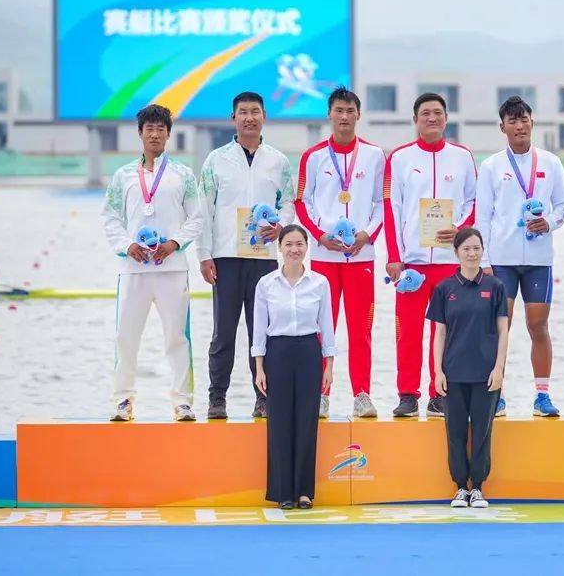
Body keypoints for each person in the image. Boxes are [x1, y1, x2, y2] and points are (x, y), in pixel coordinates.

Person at [101, 103, 204, 423]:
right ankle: (122, 400)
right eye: (150, 129)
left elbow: (197, 218)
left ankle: (182, 402)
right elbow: (110, 218)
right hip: (133, 270)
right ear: (140, 133)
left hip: (172, 269)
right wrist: (127, 246)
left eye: (161, 129)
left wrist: (174, 244)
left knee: (177, 337)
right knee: (126, 336)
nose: (155, 134)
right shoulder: (123, 176)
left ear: (169, 134)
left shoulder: (183, 175)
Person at [198, 91, 297, 420]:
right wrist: (204, 255)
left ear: (264, 116)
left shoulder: (278, 161)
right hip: (225, 257)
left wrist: (280, 227)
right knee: (223, 333)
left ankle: (264, 398)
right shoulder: (216, 160)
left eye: (255, 111)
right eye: (243, 112)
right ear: (233, 118)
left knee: (264, 332)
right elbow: (204, 210)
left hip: (263, 258)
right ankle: (217, 398)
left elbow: (288, 202)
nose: (249, 117)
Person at [383, 92, 477, 418]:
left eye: (438, 112)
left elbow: (474, 202)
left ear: (446, 118)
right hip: (413, 263)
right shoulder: (400, 158)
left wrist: (460, 229)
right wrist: (394, 256)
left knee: (447, 333)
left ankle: (440, 394)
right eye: (425, 113)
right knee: (408, 332)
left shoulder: (462, 157)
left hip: (451, 263)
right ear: (415, 120)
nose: (432, 118)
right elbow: (391, 208)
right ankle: (407, 394)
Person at [475, 96, 564, 419]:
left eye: (524, 119)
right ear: (502, 127)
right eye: (512, 121)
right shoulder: (491, 166)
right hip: (502, 260)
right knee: (501, 326)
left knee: (538, 325)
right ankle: (496, 394)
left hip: (539, 260)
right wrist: (484, 261)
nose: (519, 126)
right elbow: (482, 217)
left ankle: (542, 396)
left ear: (532, 122)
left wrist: (549, 222)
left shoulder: (551, 163)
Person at [296, 86, 384, 419]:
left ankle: (362, 394)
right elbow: (301, 203)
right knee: (322, 327)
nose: (344, 117)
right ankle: (321, 394)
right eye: (339, 111)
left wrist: (367, 234)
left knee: (361, 329)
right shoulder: (313, 156)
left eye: (350, 111)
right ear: (329, 114)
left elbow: (382, 203)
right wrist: (320, 236)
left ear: (358, 115)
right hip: (324, 257)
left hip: (361, 257)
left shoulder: (374, 155)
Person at [252, 225, 335, 510]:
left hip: (309, 351)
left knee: (306, 422)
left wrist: (329, 365)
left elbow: (327, 326)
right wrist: (259, 367)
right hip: (278, 352)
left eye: (299, 244)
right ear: (279, 248)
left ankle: (304, 492)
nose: (294, 249)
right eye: (288, 244)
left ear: (306, 247)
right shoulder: (266, 284)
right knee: (279, 422)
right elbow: (259, 328)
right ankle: (283, 491)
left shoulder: (319, 283)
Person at [428, 228, 508, 509]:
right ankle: (461, 487)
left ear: (483, 250)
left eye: (477, 248)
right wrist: (438, 372)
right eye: (466, 249)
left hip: (486, 373)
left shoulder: (495, 287)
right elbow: (439, 333)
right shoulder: (444, 289)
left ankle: (478, 487)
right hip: (453, 373)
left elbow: (503, 330)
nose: (472, 254)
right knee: (456, 431)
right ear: (456, 253)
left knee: (483, 431)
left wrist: (499, 368)